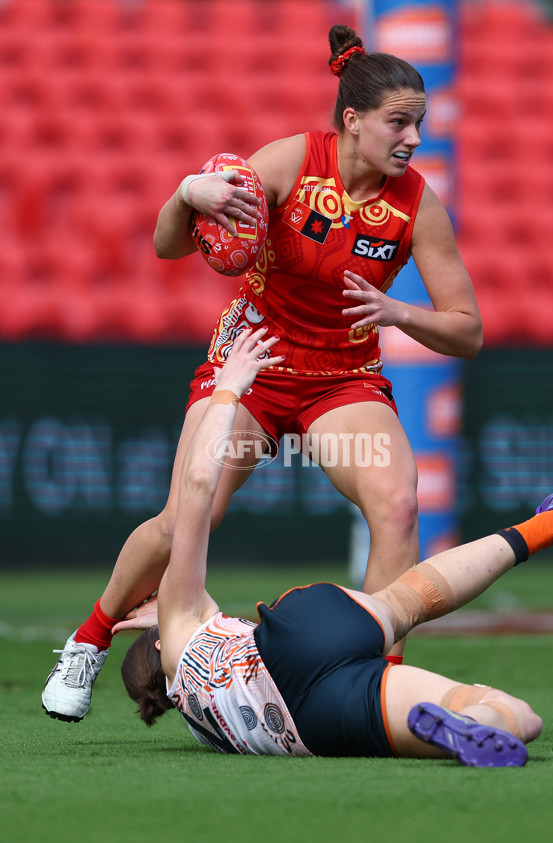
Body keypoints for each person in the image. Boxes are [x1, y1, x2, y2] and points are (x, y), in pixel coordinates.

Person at [42, 24, 482, 723]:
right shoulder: (288, 163)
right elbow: (168, 245)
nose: (412, 139)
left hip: (342, 375)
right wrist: (189, 193)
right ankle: (89, 639)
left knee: (396, 505)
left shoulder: (417, 205)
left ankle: (371, 682)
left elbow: (467, 329)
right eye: (398, 123)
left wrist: (400, 311)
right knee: (185, 520)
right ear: (353, 121)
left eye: (419, 124)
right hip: (253, 363)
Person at [116, 330, 553, 765]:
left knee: (519, 716)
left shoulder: (204, 727)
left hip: (317, 722)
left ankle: (472, 723)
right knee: (405, 602)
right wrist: (229, 388)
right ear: (158, 642)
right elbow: (199, 483)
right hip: (296, 638)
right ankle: (551, 524)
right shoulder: (180, 629)